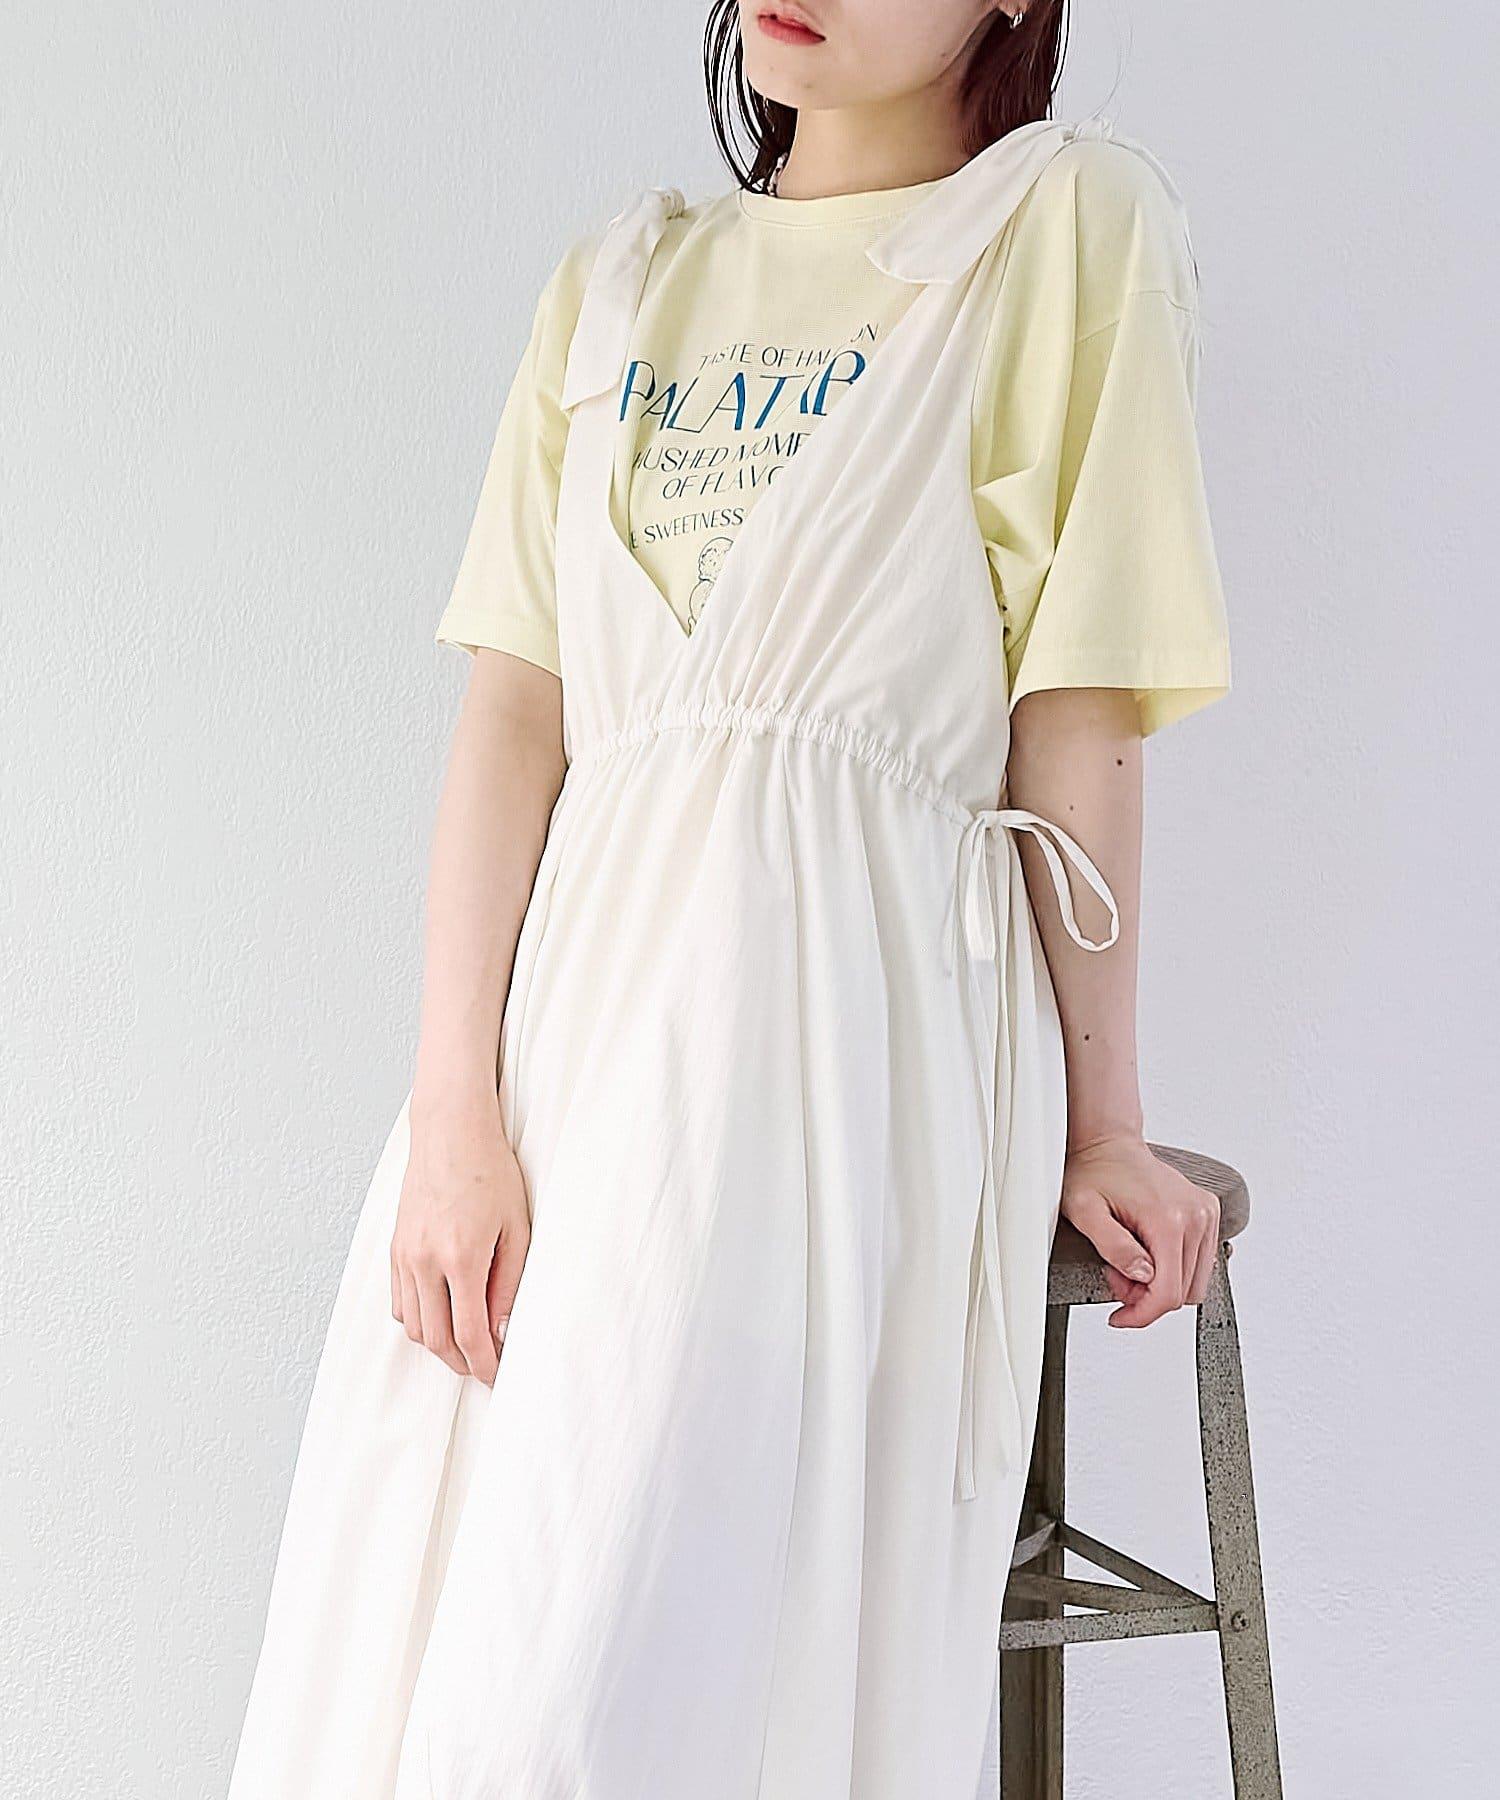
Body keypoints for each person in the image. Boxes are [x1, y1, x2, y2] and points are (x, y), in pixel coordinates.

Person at [228, 3, 1231, 1794]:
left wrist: (1105, 1119)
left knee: (602, 1667)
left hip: (839, 1038)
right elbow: (514, 724)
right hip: (562, 1059)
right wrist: (453, 1115)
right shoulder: (618, 282)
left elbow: (1075, 712)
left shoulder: (1065, 229)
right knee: (444, 1642)